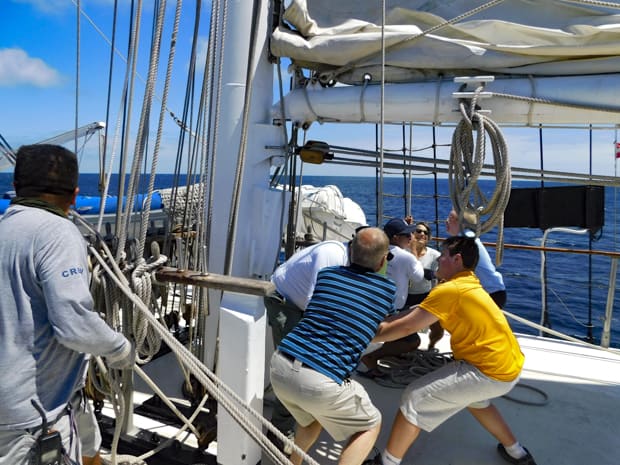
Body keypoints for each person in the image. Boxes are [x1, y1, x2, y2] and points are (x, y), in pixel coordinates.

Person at [0, 144, 135, 465]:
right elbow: (73, 326)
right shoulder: (58, 232)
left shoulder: (5, 229)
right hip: (33, 413)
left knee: (89, 446)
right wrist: (121, 350)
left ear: (16, 188)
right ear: (74, 196)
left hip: (18, 404)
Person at [366, 236, 537, 465]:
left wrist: (366, 333)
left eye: (443, 255)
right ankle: (517, 452)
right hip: (508, 365)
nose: (438, 260)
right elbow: (418, 312)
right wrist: (389, 320)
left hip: (487, 371)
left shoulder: (451, 290)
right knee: (477, 402)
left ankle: (387, 462)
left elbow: (407, 326)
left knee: (414, 399)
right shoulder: (469, 282)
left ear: (457, 259)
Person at [269, 227, 396, 465]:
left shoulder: (328, 275)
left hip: (281, 367)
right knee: (370, 424)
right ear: (382, 261)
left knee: (310, 421)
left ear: (351, 250)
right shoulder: (387, 289)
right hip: (320, 381)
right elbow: (385, 323)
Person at [264, 240, 349, 450]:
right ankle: (279, 431)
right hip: (285, 302)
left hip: (300, 303)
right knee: (292, 367)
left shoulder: (348, 262)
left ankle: (293, 417)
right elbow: (317, 301)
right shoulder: (332, 255)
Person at [360, 218, 424, 374]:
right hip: (392, 310)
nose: (411, 238)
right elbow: (418, 277)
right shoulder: (406, 257)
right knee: (413, 341)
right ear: (396, 237)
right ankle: (371, 358)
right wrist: (414, 251)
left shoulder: (377, 251)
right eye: (407, 235)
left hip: (371, 306)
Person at [446, 209, 507, 308]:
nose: (447, 221)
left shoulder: (466, 240)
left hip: (489, 294)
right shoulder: (466, 238)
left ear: (462, 222)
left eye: (451, 218)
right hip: (492, 292)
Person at [405, 221, 443, 350]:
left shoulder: (435, 256)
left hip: (425, 295)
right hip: (406, 296)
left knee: (437, 325)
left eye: (425, 232)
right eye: (418, 231)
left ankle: (431, 346)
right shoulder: (404, 252)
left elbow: (434, 276)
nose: (422, 234)